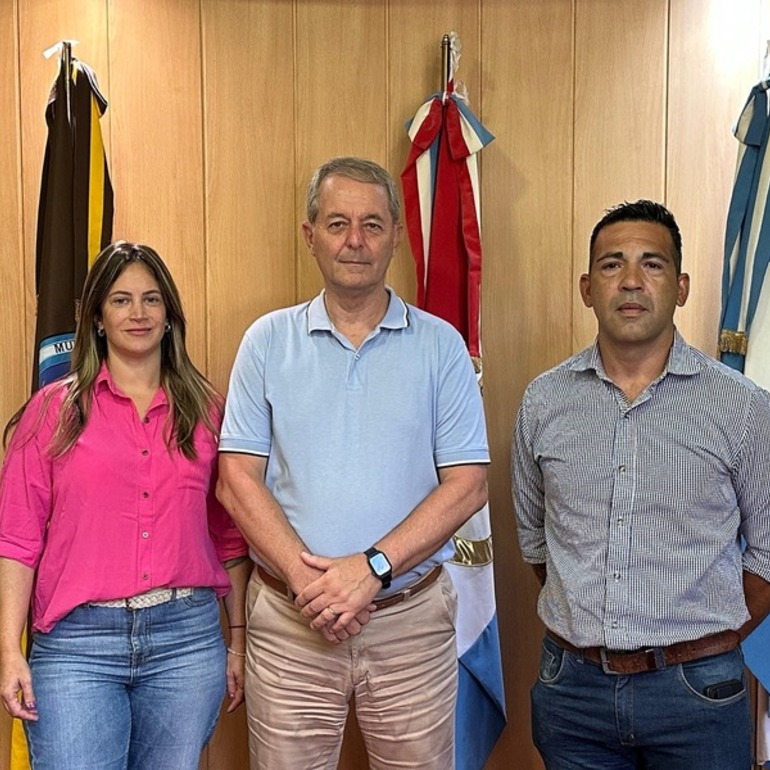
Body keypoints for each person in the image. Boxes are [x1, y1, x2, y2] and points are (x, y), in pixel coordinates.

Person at [217, 156, 489, 769]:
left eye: (372, 224)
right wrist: (311, 583)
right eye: (338, 223)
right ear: (309, 235)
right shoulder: (266, 341)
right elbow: (236, 482)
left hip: (410, 622)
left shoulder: (441, 346)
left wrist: (371, 570)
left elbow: (468, 487)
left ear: (397, 235)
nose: (355, 241)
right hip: (291, 625)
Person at [512, 200, 770, 769]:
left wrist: (707, 637)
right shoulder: (543, 401)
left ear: (680, 287)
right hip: (571, 692)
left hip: (699, 693)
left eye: (652, 265)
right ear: (586, 286)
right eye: (612, 265)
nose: (631, 281)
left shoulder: (743, 408)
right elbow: (536, 542)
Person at [0, 242, 251, 770]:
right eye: (120, 300)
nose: (138, 314)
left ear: (169, 315)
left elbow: (230, 536)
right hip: (75, 649)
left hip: (187, 642)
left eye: (151, 300)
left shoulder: (208, 413)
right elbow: (17, 539)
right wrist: (8, 650)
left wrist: (238, 641)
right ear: (96, 318)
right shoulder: (51, 414)